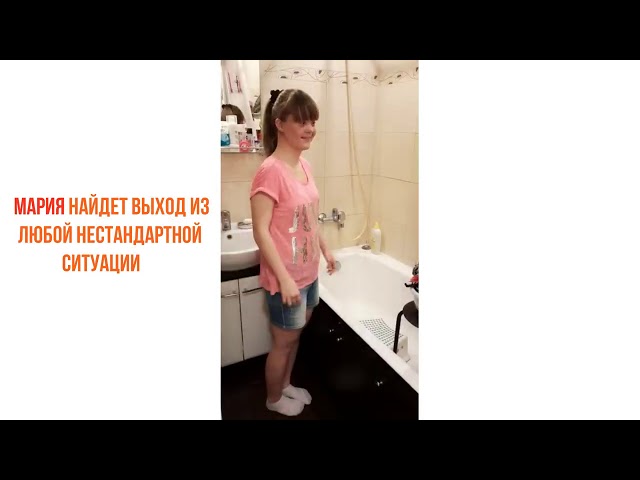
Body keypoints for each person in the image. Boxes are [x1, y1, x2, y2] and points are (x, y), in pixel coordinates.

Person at [249, 89, 337, 416]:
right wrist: (285, 279)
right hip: (286, 279)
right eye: (301, 121)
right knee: (282, 343)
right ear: (279, 124)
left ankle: (285, 385)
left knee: (294, 338)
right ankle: (273, 399)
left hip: (308, 274)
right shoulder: (270, 170)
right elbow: (261, 231)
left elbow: (311, 217)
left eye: (312, 121)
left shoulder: (304, 166)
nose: (310, 128)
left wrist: (325, 250)